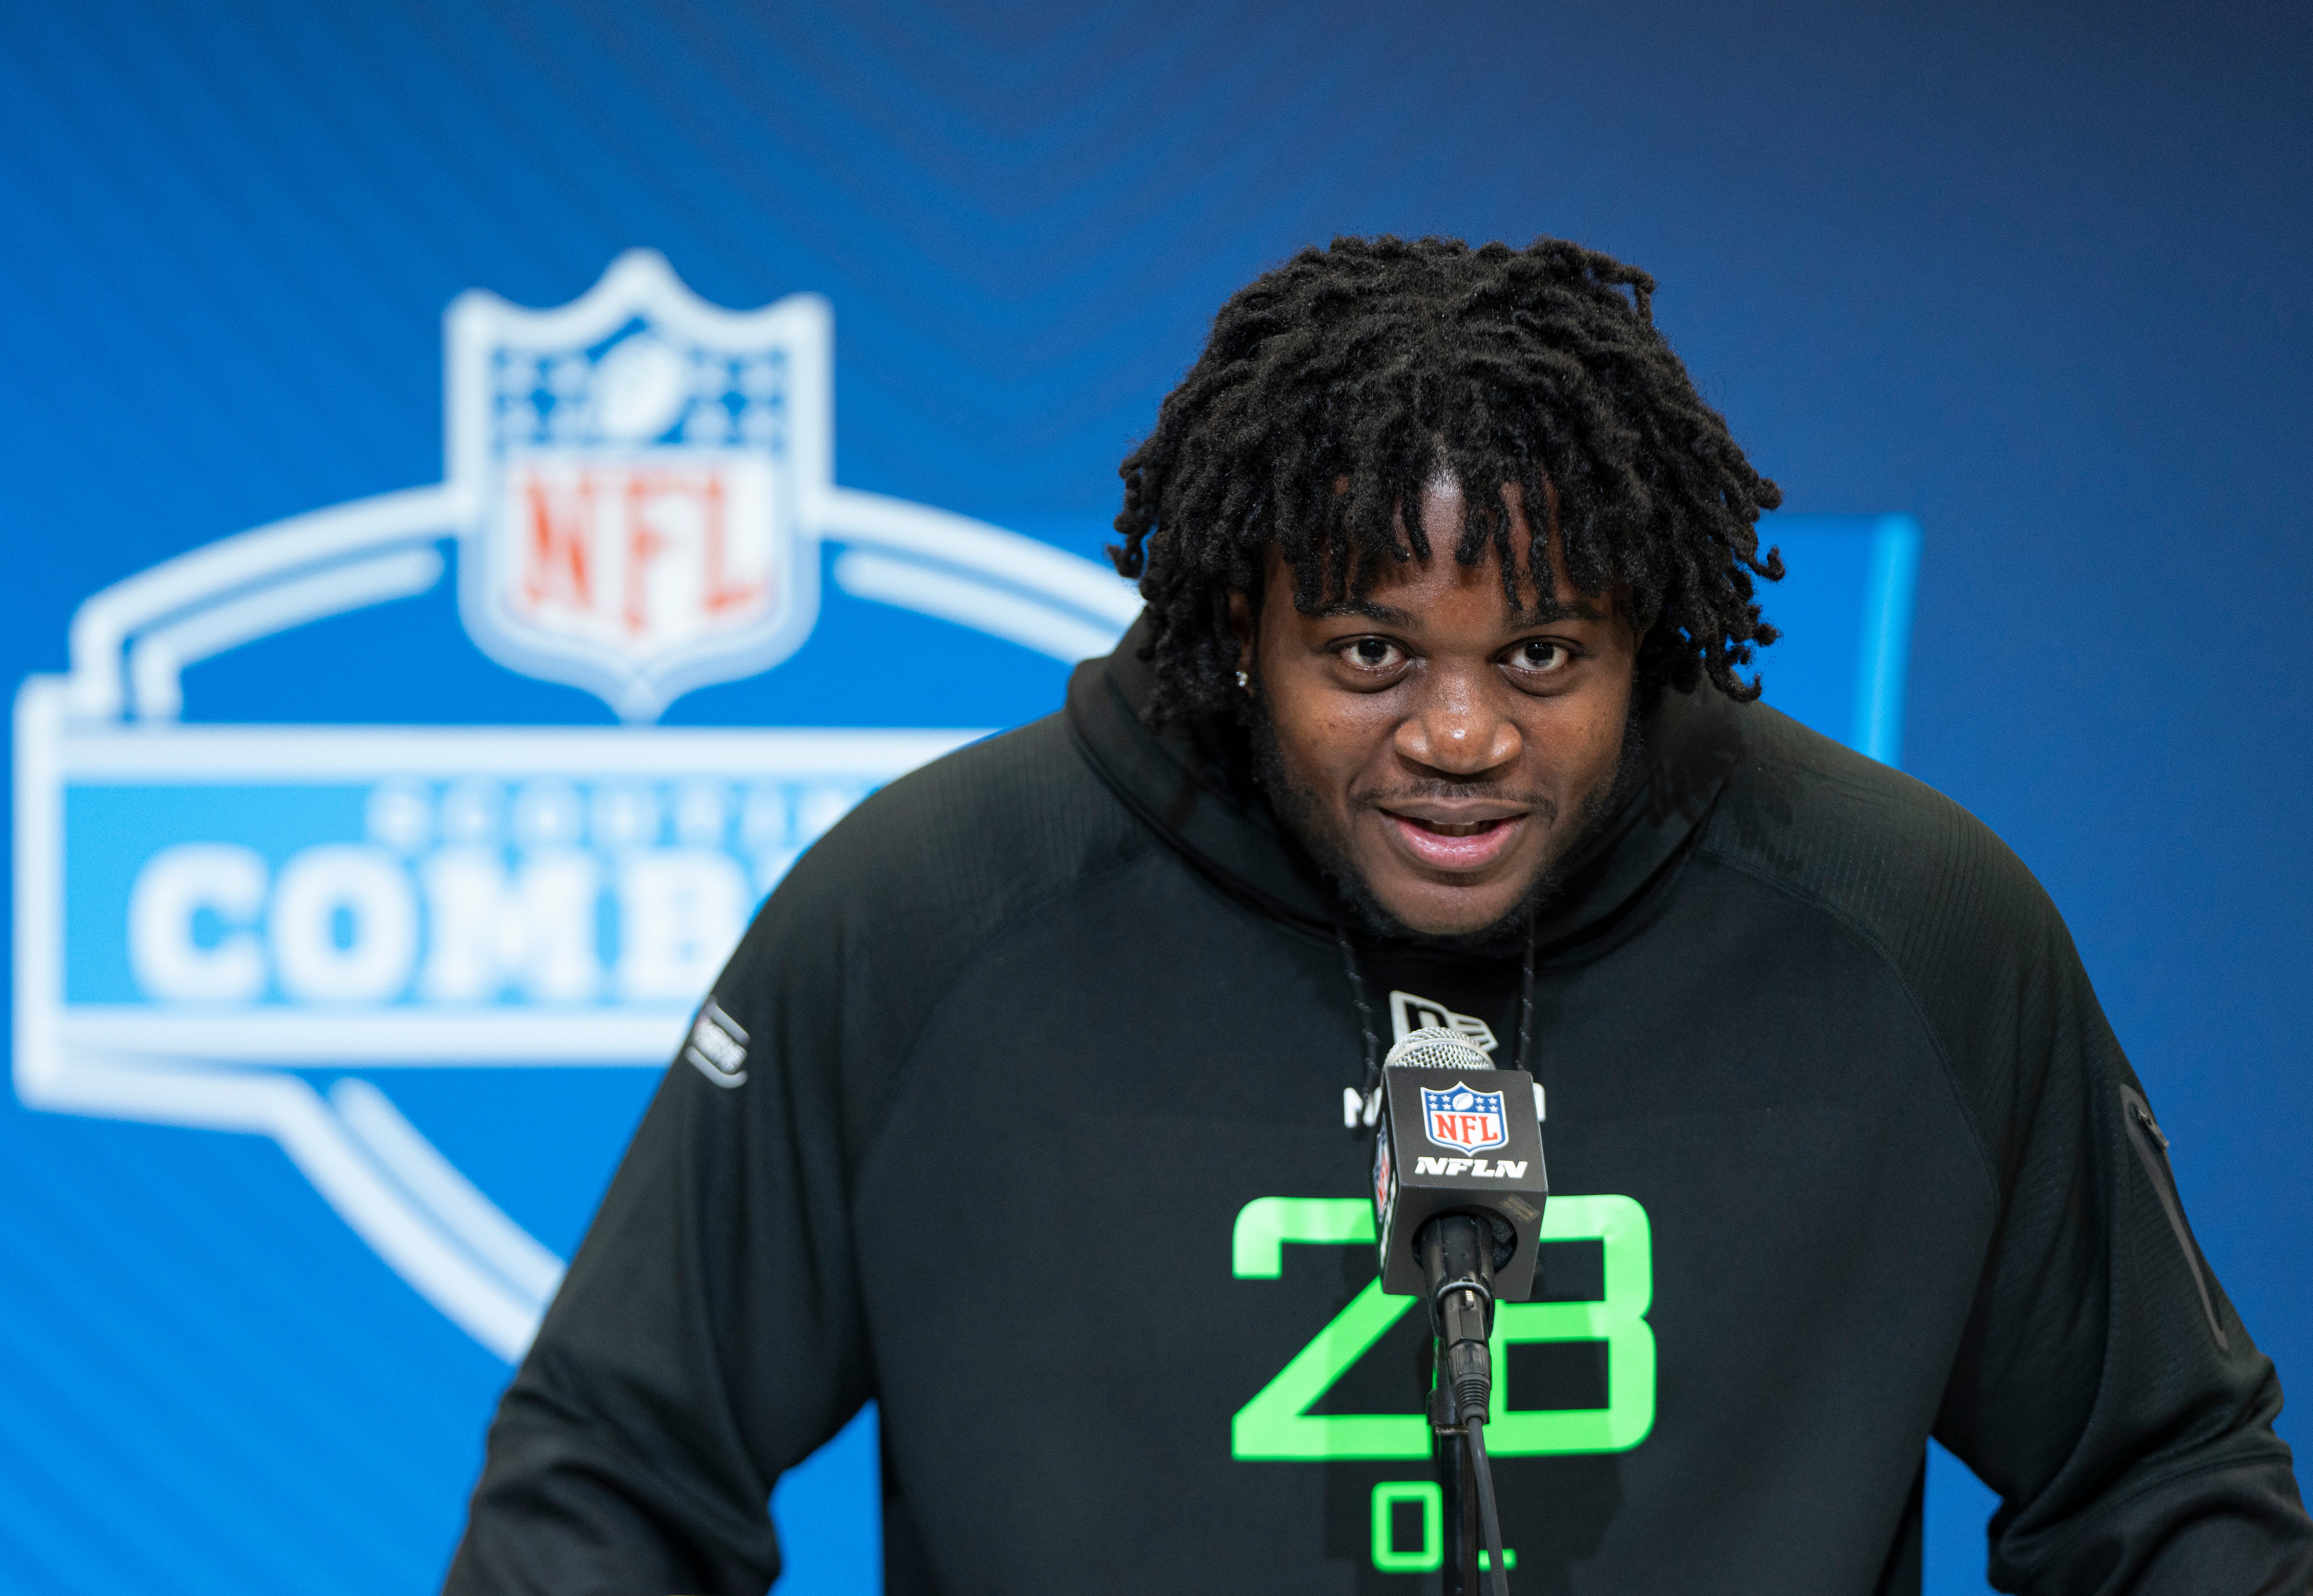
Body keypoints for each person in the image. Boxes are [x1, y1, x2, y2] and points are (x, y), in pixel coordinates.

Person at [445, 237, 2311, 1594]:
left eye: (1544, 653)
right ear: (1235, 629)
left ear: (1649, 638)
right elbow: (613, 1475)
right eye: (1369, 653)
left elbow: (2165, 1492)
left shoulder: (1910, 927)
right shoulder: (928, 917)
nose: (1461, 734)